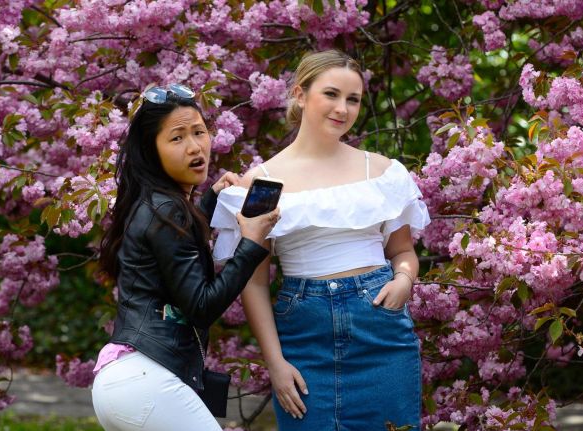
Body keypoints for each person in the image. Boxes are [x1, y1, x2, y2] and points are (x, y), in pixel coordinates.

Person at [211, 50, 430, 430]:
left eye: (353, 99)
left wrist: (404, 280)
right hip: (305, 336)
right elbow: (254, 283)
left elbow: (403, 251)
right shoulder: (263, 182)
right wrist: (276, 364)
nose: (342, 108)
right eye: (331, 94)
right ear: (300, 94)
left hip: (380, 331)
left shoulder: (381, 172)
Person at [91, 83, 279, 431]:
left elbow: (174, 250)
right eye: (177, 138)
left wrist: (209, 200)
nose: (194, 146)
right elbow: (201, 305)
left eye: (199, 132)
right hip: (147, 381)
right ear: (151, 151)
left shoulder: (153, 205)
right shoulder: (167, 211)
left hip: (123, 378)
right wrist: (251, 244)